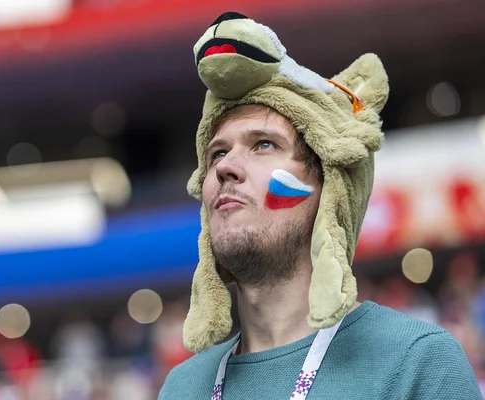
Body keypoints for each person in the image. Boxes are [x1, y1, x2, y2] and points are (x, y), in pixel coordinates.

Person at [158, 11, 482, 399]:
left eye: (263, 144)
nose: (225, 166)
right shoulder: (182, 388)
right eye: (217, 153)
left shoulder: (415, 361)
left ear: (329, 187)